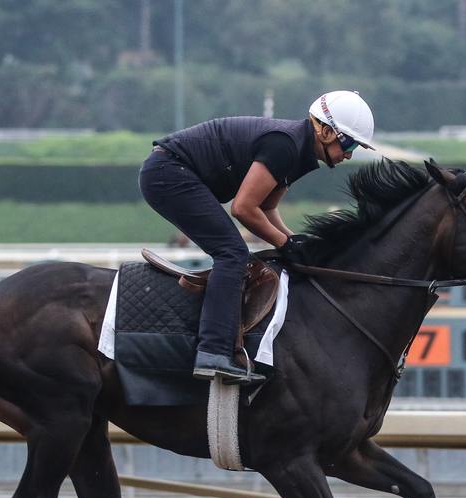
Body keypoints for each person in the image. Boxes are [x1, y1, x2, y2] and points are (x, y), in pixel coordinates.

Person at [139, 90, 375, 384]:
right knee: (232, 253)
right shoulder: (286, 146)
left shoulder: (300, 151)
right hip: (168, 172)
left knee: (234, 251)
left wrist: (295, 241)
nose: (350, 154)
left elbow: (266, 207)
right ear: (326, 132)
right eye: (349, 143)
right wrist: (285, 243)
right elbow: (243, 208)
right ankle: (212, 352)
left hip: (176, 170)